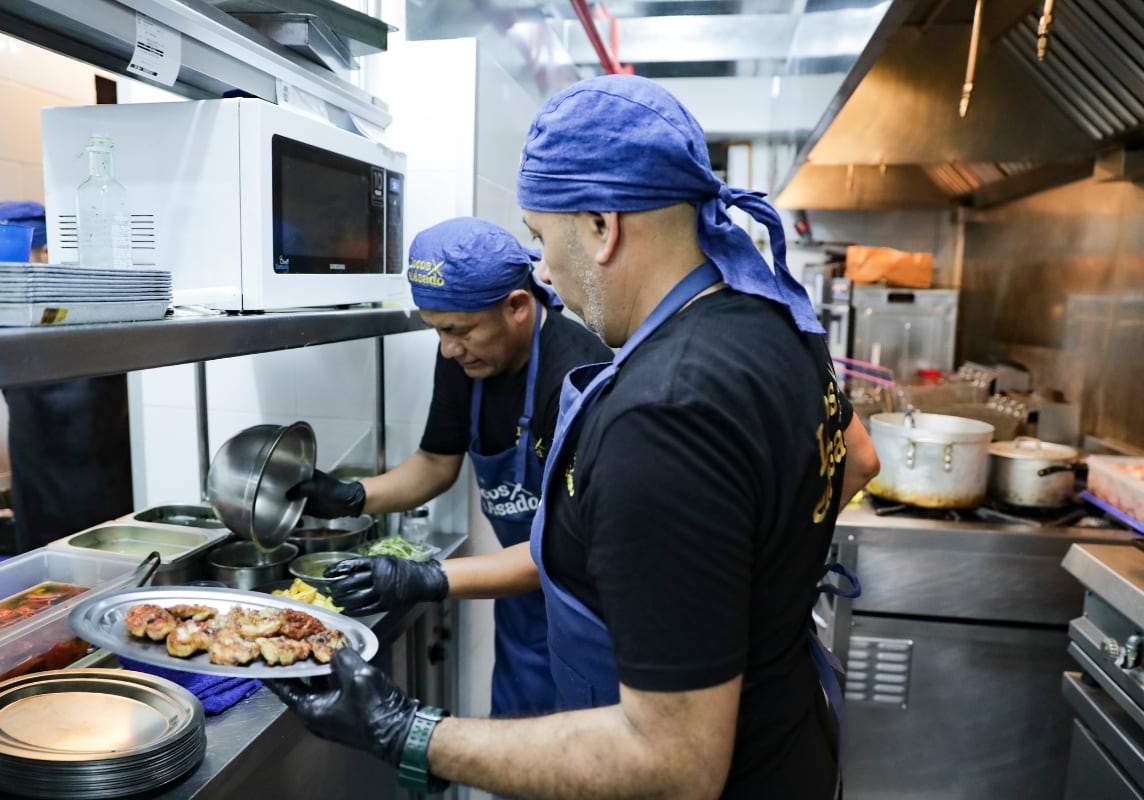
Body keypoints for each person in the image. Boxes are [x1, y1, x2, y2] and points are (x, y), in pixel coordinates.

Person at [268, 75, 880, 799]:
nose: (547, 269)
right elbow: (858, 457)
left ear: (601, 224)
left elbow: (674, 763)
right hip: (791, 737)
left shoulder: (661, 415)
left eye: (540, 238)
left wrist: (405, 731)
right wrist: (736, 572)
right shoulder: (781, 325)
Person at [287, 216, 612, 718]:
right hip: (521, 610)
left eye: (458, 331)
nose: (447, 348)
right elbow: (437, 463)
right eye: (436, 330)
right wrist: (353, 495)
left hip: (584, 614)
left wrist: (427, 578)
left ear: (517, 308)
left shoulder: (576, 374)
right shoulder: (466, 356)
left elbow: (566, 546)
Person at [0, 200, 134, 552]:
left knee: (97, 550)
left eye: (11, 259)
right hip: (33, 466)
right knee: (42, 558)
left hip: (96, 470)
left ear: (47, 251)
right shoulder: (11, 311)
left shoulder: (88, 302)